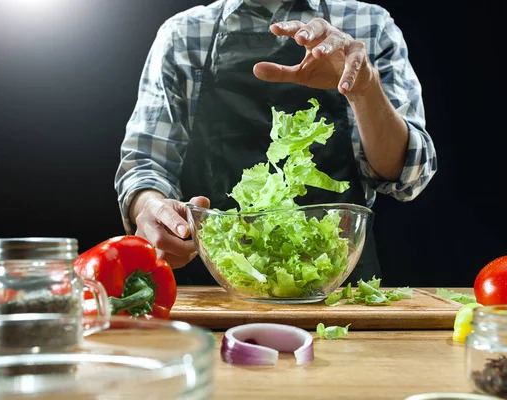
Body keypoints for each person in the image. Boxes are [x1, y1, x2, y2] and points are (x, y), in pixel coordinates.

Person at [114, 0, 437, 285]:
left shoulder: (369, 24)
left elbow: (408, 174)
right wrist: (153, 209)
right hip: (214, 288)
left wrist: (364, 90)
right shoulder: (184, 34)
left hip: (338, 288)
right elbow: (146, 163)